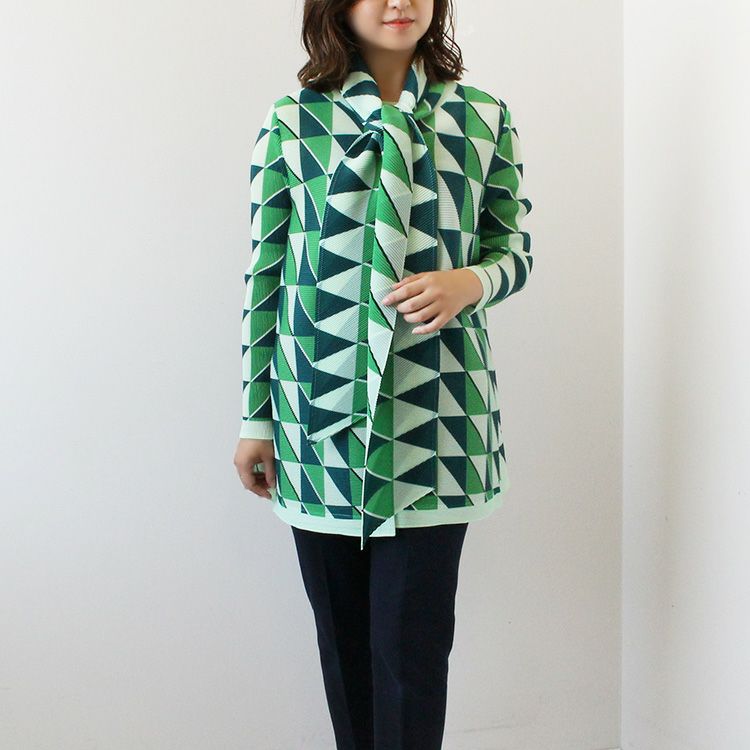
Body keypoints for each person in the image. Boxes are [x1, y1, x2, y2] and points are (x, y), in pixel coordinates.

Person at [233, 0, 533, 747]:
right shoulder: (293, 121)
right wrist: (255, 418)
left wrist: (470, 281)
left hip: (442, 418)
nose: (398, 1)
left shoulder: (482, 117)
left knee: (414, 655)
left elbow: (515, 248)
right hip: (315, 419)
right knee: (344, 652)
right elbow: (268, 274)